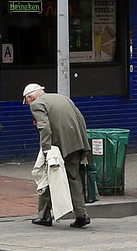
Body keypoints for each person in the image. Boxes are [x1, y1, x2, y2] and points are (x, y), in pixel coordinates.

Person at [22, 82, 90, 228]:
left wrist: (46, 149)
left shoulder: (37, 104)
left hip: (58, 146)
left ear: (31, 97)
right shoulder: (63, 98)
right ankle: (81, 214)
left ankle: (44, 216)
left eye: (27, 101)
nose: (28, 105)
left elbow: (44, 127)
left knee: (48, 177)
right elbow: (80, 119)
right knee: (74, 177)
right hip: (77, 142)